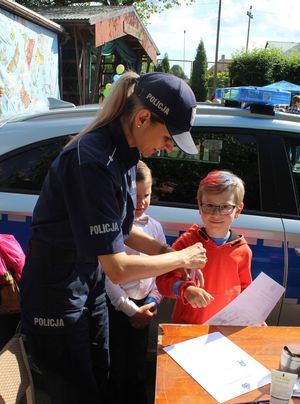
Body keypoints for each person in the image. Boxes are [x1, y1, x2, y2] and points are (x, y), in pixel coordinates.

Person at [19, 71, 207, 404]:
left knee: (101, 376)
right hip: (56, 290)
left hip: (86, 282)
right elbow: (118, 268)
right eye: (168, 137)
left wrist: (166, 250)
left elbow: (120, 229)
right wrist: (180, 258)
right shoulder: (93, 160)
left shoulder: (124, 154)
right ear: (143, 117)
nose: (167, 147)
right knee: (69, 392)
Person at [156, 169, 252, 324]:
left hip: (224, 330)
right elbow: (163, 280)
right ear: (199, 207)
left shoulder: (243, 250)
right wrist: (186, 290)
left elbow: (246, 291)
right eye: (209, 205)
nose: (216, 214)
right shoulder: (187, 242)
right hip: (188, 328)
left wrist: (253, 316)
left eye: (225, 207)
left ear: (238, 210)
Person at [106, 160, 164, 404]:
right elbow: (109, 277)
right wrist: (131, 309)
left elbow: (161, 272)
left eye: (147, 195)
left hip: (145, 308)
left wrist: (151, 302)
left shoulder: (155, 228)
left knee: (138, 367)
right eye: (135, 195)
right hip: (117, 308)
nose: (141, 202)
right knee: (114, 369)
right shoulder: (112, 227)